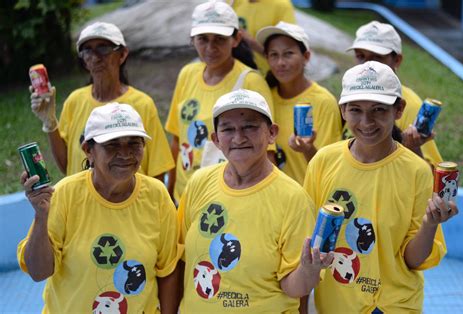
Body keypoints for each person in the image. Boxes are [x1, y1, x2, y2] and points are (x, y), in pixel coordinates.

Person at [303, 61, 458, 313]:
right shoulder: (323, 161)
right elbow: (308, 242)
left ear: (399, 110)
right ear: (342, 110)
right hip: (335, 303)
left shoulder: (416, 171)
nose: (366, 122)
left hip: (393, 304)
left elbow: (413, 260)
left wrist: (430, 224)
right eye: (356, 110)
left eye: (378, 110)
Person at [177, 89, 333, 312]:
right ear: (215, 139)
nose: (239, 138)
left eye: (250, 127)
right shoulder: (199, 183)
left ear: (271, 133)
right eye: (228, 129)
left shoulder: (293, 198)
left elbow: (294, 287)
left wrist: (309, 271)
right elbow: (182, 259)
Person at [17, 103, 183, 313]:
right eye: (112, 144)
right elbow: (38, 272)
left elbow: (167, 271)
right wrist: (41, 216)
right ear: (88, 150)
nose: (125, 154)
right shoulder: (65, 194)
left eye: (134, 143)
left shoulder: (157, 196)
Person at [30, 21, 174, 180]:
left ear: (122, 54)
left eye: (103, 48)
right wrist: (50, 123)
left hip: (130, 203)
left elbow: (157, 169)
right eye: (87, 50)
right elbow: (66, 165)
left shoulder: (142, 104)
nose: (95, 58)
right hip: (83, 202)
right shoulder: (75, 101)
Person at [165, 0, 274, 203]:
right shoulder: (187, 74)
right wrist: (169, 194)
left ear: (236, 39)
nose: (210, 47)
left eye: (219, 39)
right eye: (202, 39)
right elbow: (177, 141)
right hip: (184, 198)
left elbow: (267, 151)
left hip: (228, 198)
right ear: (192, 39)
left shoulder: (251, 81)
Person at [344, 20, 443, 168]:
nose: (367, 64)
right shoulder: (351, 96)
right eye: (360, 56)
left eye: (376, 57)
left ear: (397, 60)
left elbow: (436, 179)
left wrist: (412, 148)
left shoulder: (411, 106)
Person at [256, 21, 342, 184]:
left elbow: (331, 168)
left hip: (307, 200)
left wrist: (307, 149)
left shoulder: (323, 102)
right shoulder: (265, 98)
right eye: (274, 55)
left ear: (306, 57)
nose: (280, 62)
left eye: (288, 54)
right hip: (273, 199)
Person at [233, 0, 296, 74]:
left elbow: (287, 54)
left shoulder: (282, 5)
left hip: (262, 76)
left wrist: (251, 42)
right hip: (232, 71)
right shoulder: (236, 1)